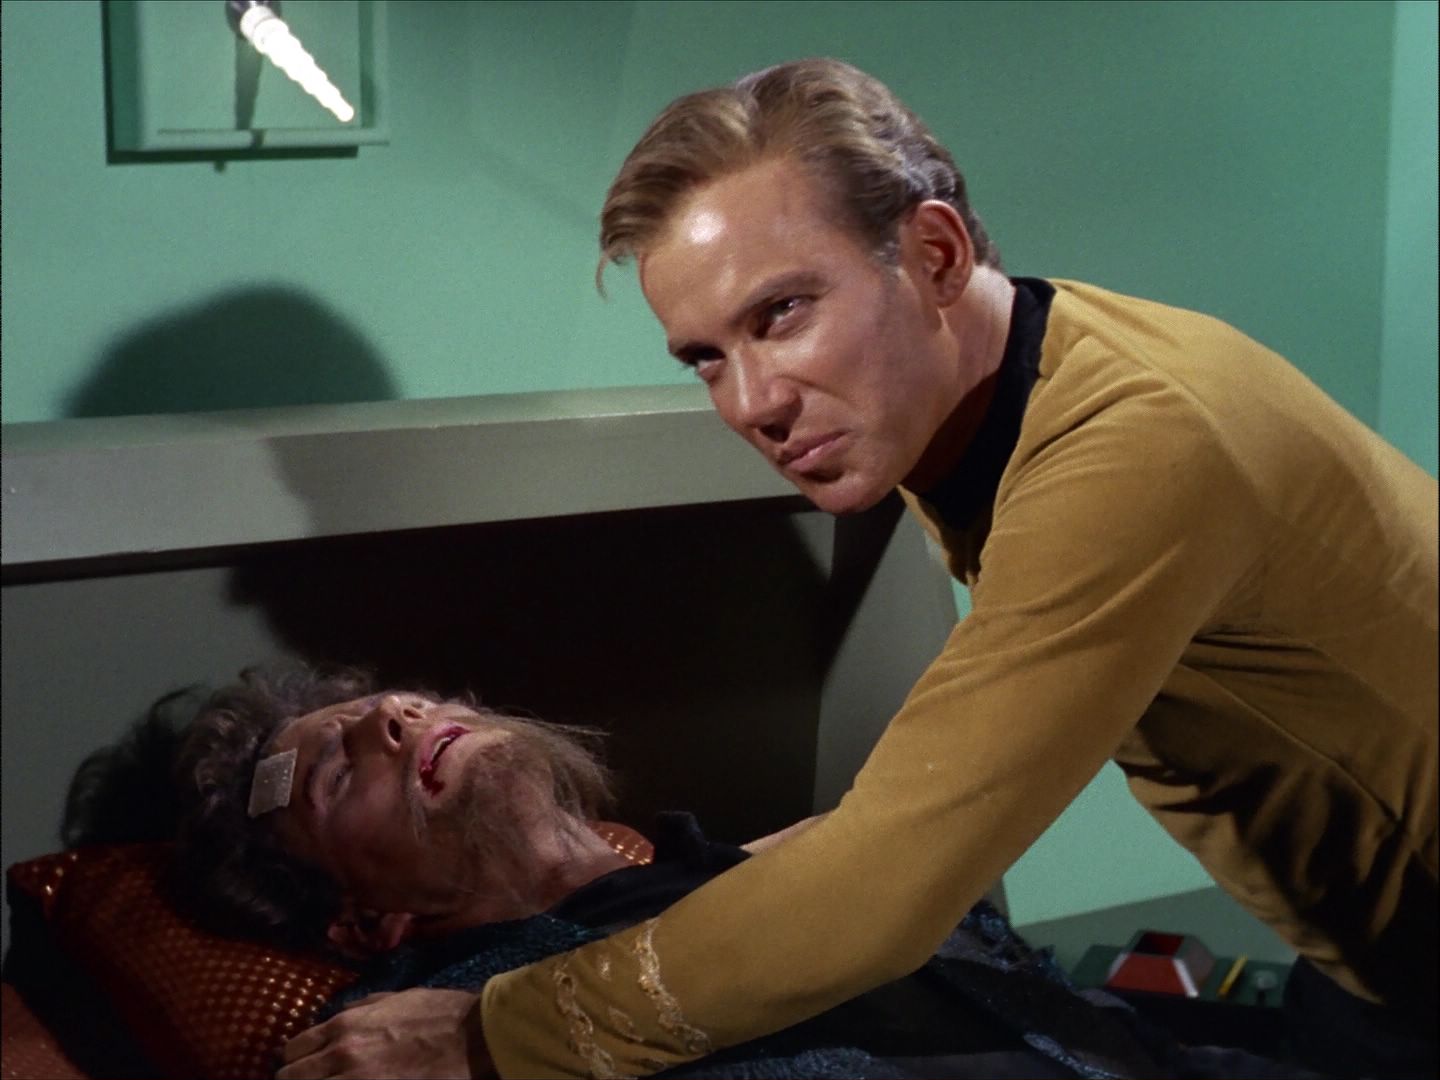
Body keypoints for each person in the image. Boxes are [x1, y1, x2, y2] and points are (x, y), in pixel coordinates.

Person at [280, 59, 1438, 1080]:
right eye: (705, 358)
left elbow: (890, 885)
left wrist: (497, 1035)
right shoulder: (984, 394)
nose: (753, 403)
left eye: (782, 314)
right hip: (1370, 960)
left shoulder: (1129, 455)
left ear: (934, 254)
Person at [174, 665, 1321, 1080]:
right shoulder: (418, 1035)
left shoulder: (806, 860)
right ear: (362, 922)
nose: (389, 720)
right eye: (336, 773)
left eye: (400, 702)